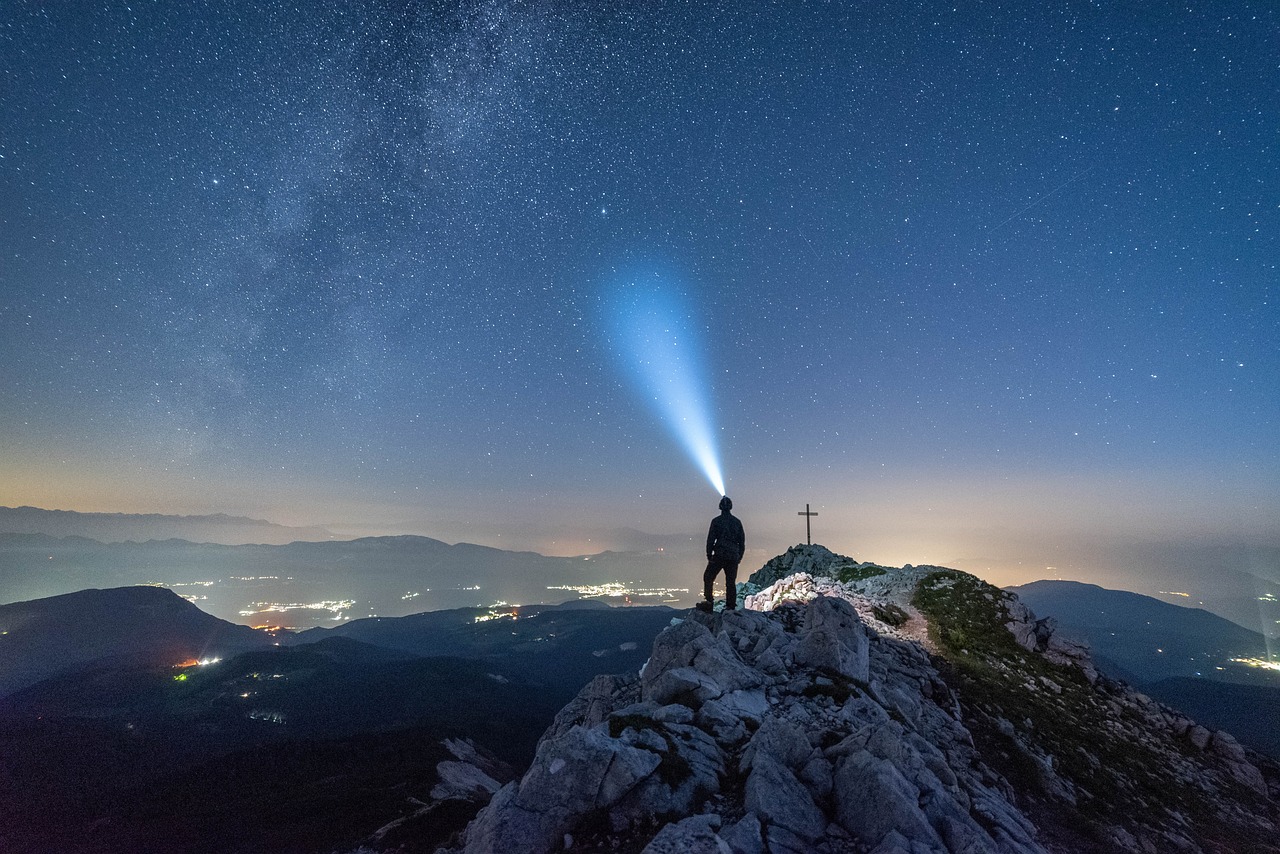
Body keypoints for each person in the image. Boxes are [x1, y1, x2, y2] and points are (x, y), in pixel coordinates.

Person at [699, 495, 745, 612]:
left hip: (719, 554)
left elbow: (710, 539)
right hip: (733, 556)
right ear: (731, 507)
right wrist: (739, 556)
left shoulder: (716, 521)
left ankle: (709, 602)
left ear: (720, 507)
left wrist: (709, 555)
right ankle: (731, 606)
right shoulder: (737, 522)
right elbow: (742, 541)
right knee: (730, 582)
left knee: (708, 577)